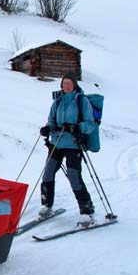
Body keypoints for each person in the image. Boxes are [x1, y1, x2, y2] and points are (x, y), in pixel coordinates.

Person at [38, 72, 96, 227]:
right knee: (47, 174)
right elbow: (51, 120)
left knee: (74, 177)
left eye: (70, 83)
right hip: (56, 143)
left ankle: (87, 212)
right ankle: (47, 205)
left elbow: (90, 124)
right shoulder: (57, 102)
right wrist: (47, 128)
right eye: (64, 83)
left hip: (73, 145)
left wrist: (76, 127)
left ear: (75, 85)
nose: (67, 86)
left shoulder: (81, 101)